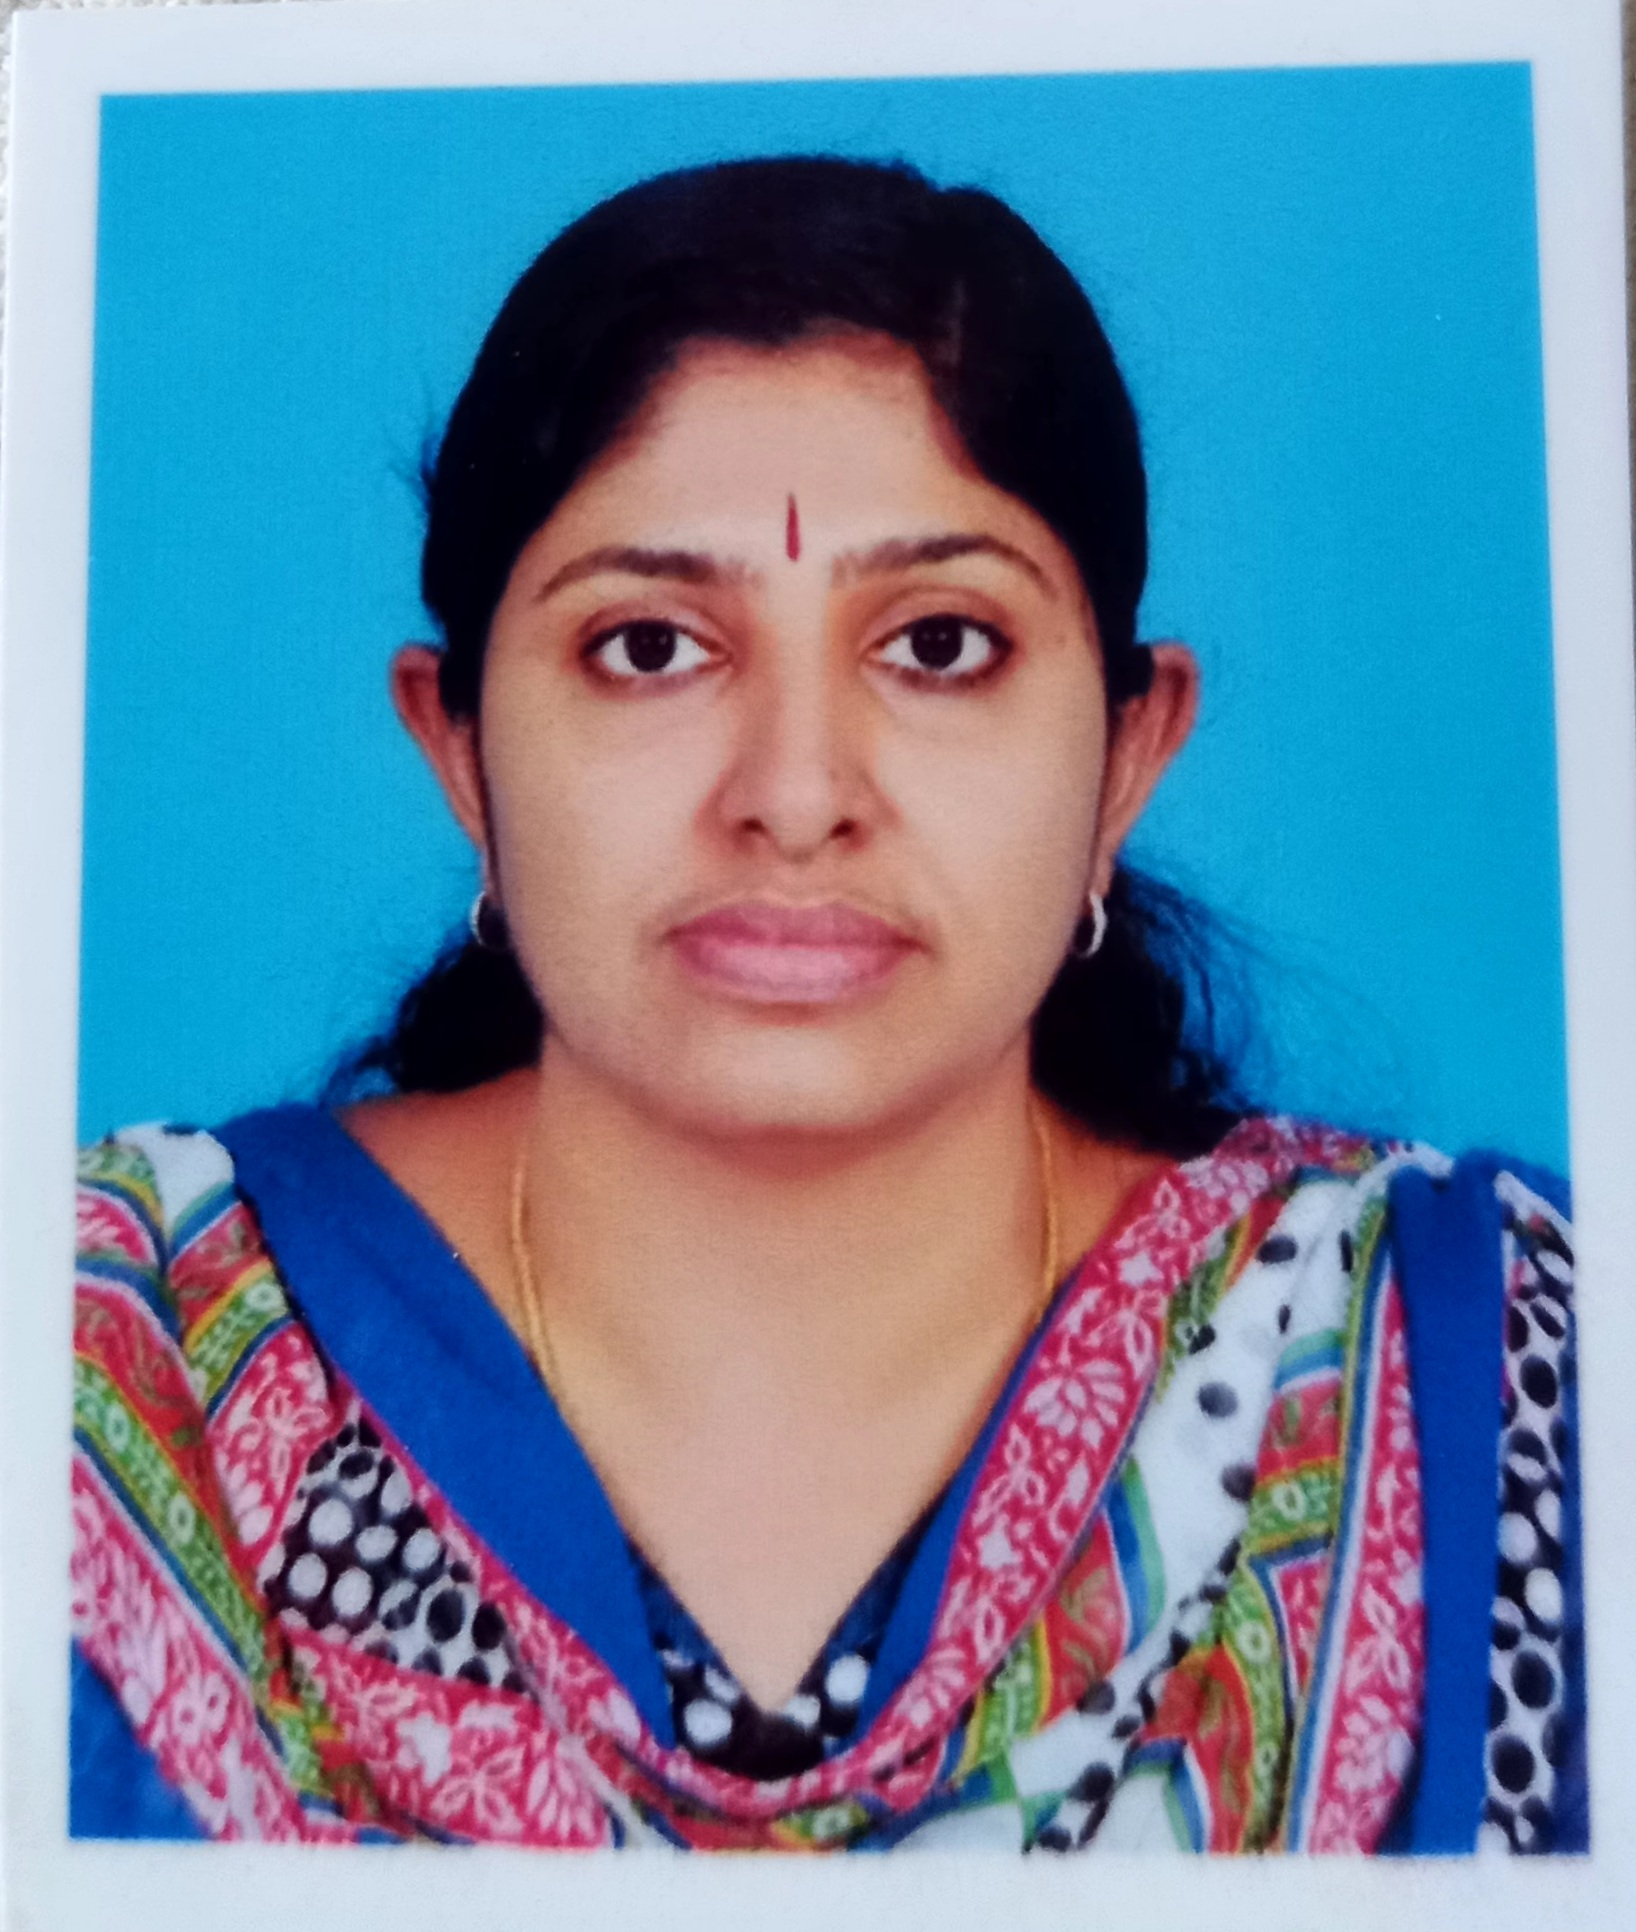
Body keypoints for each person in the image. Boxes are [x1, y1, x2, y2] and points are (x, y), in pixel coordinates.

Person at [69, 155, 1582, 1854]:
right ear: (461, 750)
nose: (796, 797)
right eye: (652, 647)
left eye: (938, 645)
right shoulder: (109, 1376)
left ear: (1127, 754)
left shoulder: (1481, 1389)